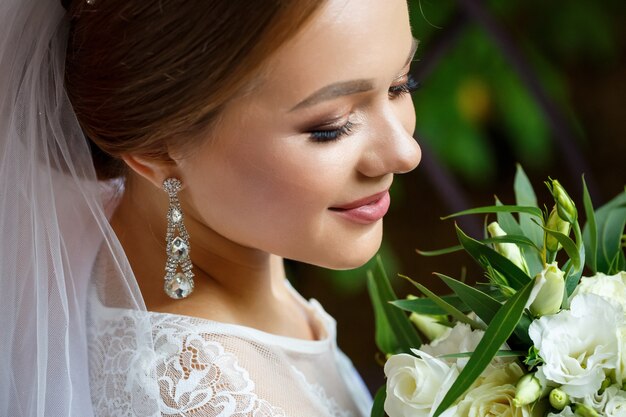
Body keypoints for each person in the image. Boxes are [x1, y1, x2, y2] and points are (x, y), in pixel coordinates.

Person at [0, 0, 421, 415]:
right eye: (331, 126)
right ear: (158, 150)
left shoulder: (193, 237)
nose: (406, 153)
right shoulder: (209, 396)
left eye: (400, 86)